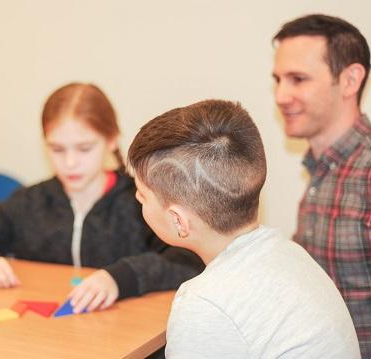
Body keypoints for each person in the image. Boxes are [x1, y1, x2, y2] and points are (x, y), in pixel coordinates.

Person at [128, 99, 360, 358]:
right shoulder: (291, 254)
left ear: (178, 221)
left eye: (141, 195)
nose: (137, 200)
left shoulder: (205, 304)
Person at [0, 82, 204, 313]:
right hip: (53, 334)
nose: (70, 163)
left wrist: (119, 278)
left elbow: (189, 260)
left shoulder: (141, 201)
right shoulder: (30, 202)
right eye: (57, 149)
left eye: (84, 148)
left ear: (111, 141)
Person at [272, 14, 370, 357]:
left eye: (298, 79)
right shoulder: (320, 170)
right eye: (278, 79)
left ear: (350, 80)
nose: (281, 95)